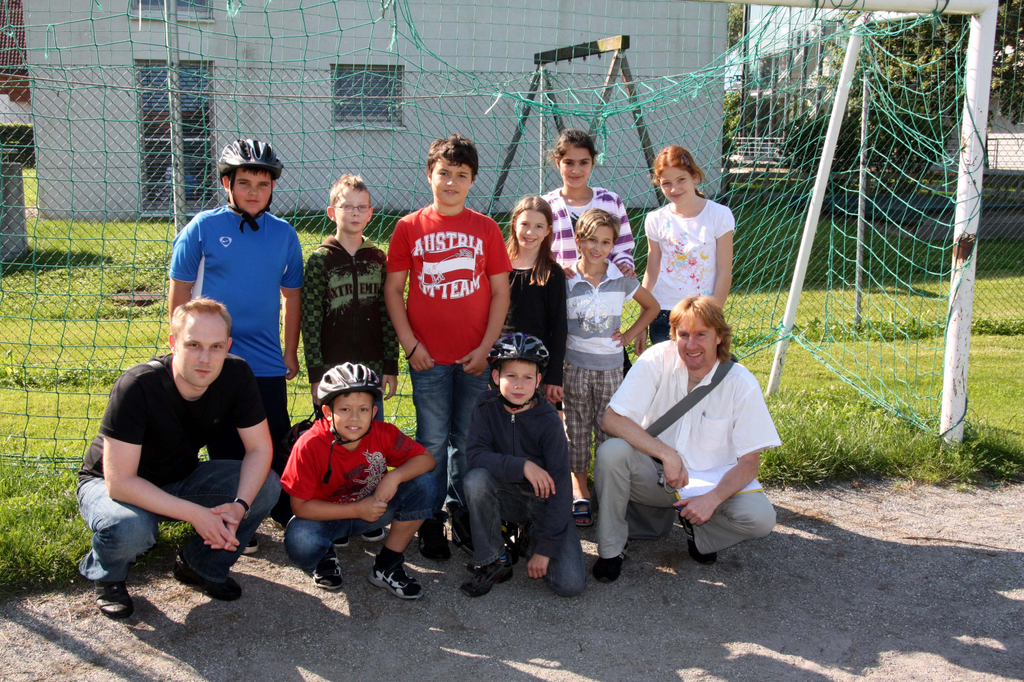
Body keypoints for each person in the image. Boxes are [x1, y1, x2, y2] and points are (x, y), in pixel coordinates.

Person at [76, 298, 281, 619]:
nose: (205, 358)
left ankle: (200, 565)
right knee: (131, 527)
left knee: (265, 485)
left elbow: (259, 449)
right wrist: (197, 515)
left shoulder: (237, 374)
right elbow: (120, 484)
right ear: (173, 343)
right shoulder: (137, 385)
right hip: (109, 484)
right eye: (193, 344)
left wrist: (240, 506)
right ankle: (108, 574)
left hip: (179, 476)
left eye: (216, 347)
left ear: (228, 346)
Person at [384, 133, 512, 561]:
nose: (451, 182)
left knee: (468, 438)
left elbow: (500, 293)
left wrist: (487, 348)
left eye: (461, 175)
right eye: (444, 173)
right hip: (428, 359)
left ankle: (463, 511)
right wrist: (410, 345)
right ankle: (429, 517)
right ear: (429, 175)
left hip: (475, 357)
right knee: (433, 441)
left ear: (473, 180)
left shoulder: (486, 228)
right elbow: (394, 291)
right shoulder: (409, 227)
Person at [591, 296, 780, 583]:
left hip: (709, 485)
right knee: (611, 452)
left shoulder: (741, 382)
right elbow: (612, 420)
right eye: (683, 335)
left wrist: (711, 499)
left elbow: (749, 464)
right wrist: (667, 454)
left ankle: (700, 530)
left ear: (719, 336)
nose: (691, 345)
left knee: (761, 518)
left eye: (701, 334)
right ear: (673, 335)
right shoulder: (656, 359)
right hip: (656, 476)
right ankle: (611, 549)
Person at [167, 139, 304, 534]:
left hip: (265, 360)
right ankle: (231, 517)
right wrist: (180, 347)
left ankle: (278, 508)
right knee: (225, 445)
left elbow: (292, 296)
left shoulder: (284, 234)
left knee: (273, 440)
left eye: (263, 184)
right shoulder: (202, 228)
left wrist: (290, 351)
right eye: (244, 183)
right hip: (215, 360)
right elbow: (179, 292)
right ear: (227, 183)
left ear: (273, 187)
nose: (254, 192)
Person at [281, 363, 437, 599]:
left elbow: (427, 459)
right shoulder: (308, 445)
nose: (354, 418)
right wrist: (357, 509)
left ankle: (387, 564)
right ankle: (324, 555)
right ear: (327, 412)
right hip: (326, 517)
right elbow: (300, 507)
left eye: (363, 409)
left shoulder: (383, 432)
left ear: (373, 413)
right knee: (300, 541)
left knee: (424, 483)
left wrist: (394, 476)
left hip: (372, 511)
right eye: (344, 409)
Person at [301, 173, 397, 547]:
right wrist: (315, 372)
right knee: (333, 442)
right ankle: (335, 513)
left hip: (371, 368)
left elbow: (389, 313)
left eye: (361, 207)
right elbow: (310, 319)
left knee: (370, 439)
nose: (354, 213)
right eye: (347, 206)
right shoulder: (320, 260)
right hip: (333, 370)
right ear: (332, 212)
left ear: (370, 213)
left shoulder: (378, 258)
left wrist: (390, 365)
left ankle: (368, 511)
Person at [461, 333, 585, 598]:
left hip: (544, 502)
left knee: (570, 584)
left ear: (538, 381)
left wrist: (546, 549)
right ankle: (493, 560)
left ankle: (532, 533)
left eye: (528, 377)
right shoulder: (485, 406)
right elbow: (475, 456)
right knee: (475, 480)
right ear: (496, 377)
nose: (519, 385)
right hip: (504, 494)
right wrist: (523, 466)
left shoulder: (549, 420)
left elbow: (563, 488)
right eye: (511, 376)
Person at [563, 209, 659, 528]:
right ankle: (580, 489)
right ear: (578, 240)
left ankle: (607, 491)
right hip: (574, 367)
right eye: (592, 240)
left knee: (608, 430)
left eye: (606, 242)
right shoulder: (566, 278)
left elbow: (652, 306)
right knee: (576, 430)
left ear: (613, 245)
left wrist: (629, 335)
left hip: (611, 370)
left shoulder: (620, 279)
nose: (598, 248)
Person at [635, 146, 734, 355]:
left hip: (703, 312)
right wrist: (643, 321)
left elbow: (724, 271)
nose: (674, 189)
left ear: (694, 176)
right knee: (670, 370)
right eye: (666, 183)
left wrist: (712, 316)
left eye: (681, 180)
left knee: (703, 367)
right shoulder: (655, 219)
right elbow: (651, 271)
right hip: (664, 314)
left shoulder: (719, 215)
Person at [542, 129, 636, 276]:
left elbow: (623, 248)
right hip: (559, 287)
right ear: (558, 162)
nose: (576, 170)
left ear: (593, 162)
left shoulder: (610, 201)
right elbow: (536, 253)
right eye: (569, 163)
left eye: (583, 163)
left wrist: (624, 267)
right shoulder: (546, 205)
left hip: (604, 286)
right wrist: (555, 271)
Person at [502, 195, 566, 406]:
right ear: (514, 224)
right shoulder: (498, 266)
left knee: (532, 418)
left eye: (539, 226)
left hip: (537, 365)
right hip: (501, 360)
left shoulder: (553, 273)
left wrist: (554, 376)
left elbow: (559, 327)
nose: (530, 232)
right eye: (525, 224)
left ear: (548, 230)